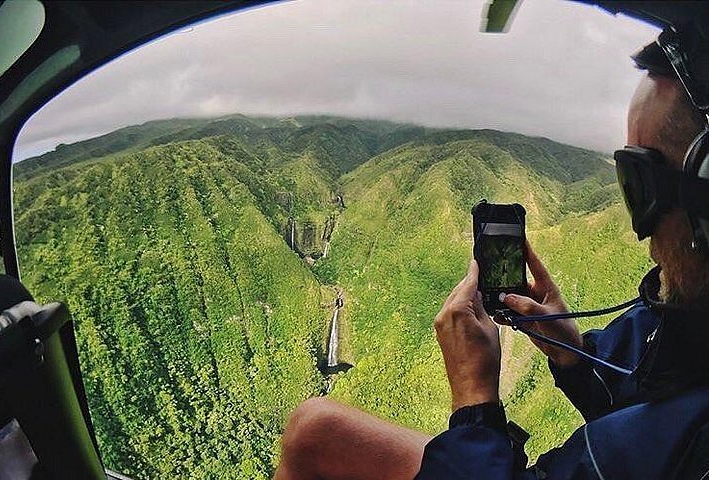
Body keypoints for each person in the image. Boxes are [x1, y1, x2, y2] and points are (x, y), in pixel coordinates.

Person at [274, 26, 709, 480]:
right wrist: (574, 356)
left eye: (641, 186)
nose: (643, 233)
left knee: (314, 429)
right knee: (313, 429)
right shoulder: (691, 316)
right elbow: (660, 380)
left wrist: (474, 400)